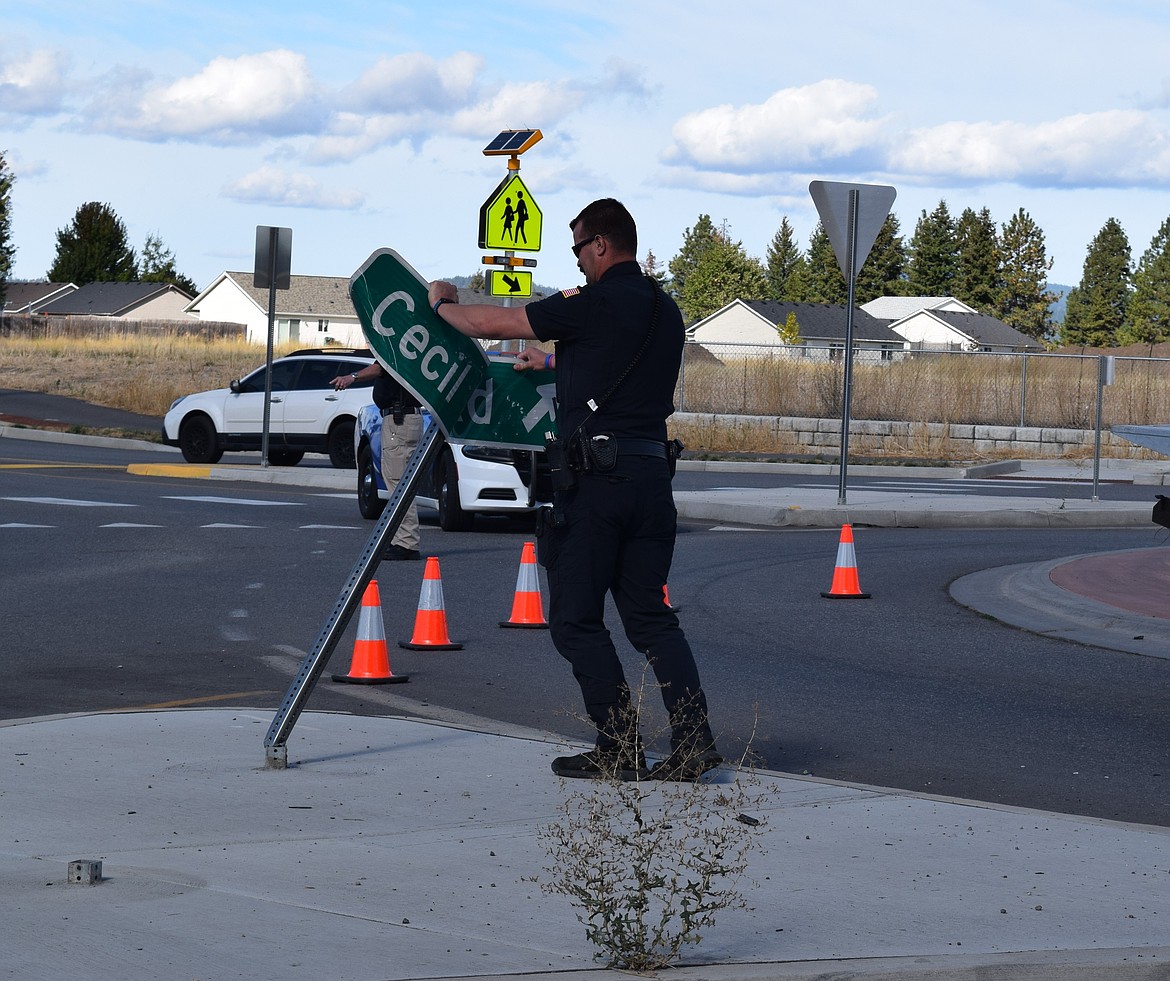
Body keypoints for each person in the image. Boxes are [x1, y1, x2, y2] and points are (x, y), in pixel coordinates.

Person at [427, 198, 720, 782]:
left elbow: (489, 325)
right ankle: (693, 744)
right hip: (651, 479)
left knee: (575, 621)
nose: (579, 261)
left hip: (596, 487)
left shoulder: (590, 304)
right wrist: (553, 365)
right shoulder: (667, 310)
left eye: (579, 248)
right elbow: (619, 371)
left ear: (603, 245)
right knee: (650, 619)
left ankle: (619, 745)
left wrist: (440, 301)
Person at [332, 363, 422, 560]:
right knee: (398, 481)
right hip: (404, 418)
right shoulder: (409, 350)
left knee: (398, 482)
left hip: (400, 420)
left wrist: (352, 377)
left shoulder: (397, 347)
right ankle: (402, 539)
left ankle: (406, 542)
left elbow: (381, 368)